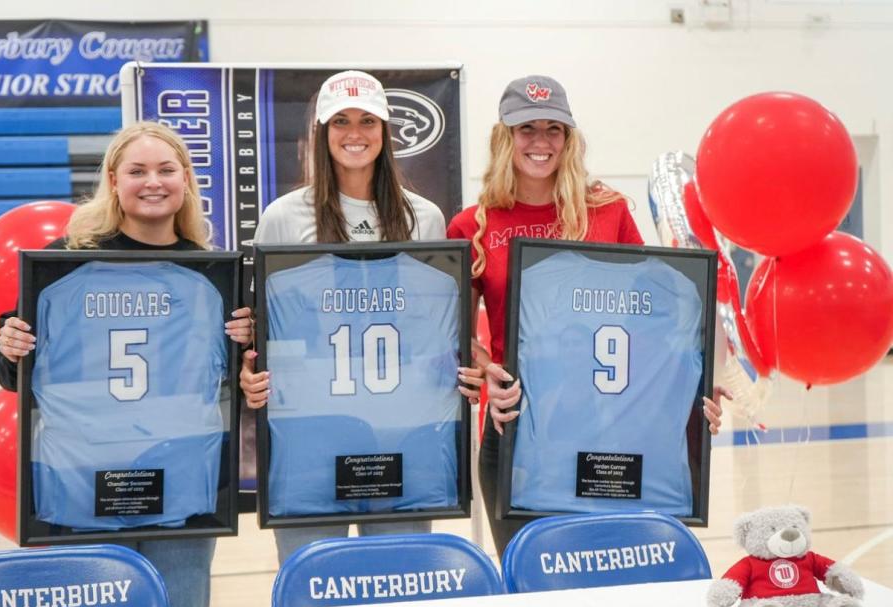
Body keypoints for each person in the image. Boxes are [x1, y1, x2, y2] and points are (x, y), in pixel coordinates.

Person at [447, 75, 730, 557]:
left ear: (569, 138)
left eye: (553, 129)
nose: (541, 142)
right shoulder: (474, 223)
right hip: (514, 433)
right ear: (504, 137)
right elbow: (451, 333)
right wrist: (483, 372)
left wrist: (692, 383)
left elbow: (654, 316)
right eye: (526, 128)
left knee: (607, 581)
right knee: (531, 585)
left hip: (608, 433)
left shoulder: (608, 212)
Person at [0, 121, 253, 607]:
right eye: (137, 171)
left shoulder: (213, 273)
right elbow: (10, 377)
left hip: (182, 483)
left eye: (166, 170)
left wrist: (245, 354)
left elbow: (228, 390)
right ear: (113, 181)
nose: (153, 182)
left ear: (186, 180)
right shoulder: (61, 265)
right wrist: (10, 345)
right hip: (81, 483)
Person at [239, 70, 458, 564]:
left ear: (385, 132)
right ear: (321, 132)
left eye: (367, 121)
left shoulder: (423, 216)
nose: (354, 133)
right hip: (310, 429)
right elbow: (263, 328)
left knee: (401, 585)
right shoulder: (283, 216)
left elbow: (433, 328)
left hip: (401, 427)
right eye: (340, 121)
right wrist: (250, 369)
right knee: (316, 584)